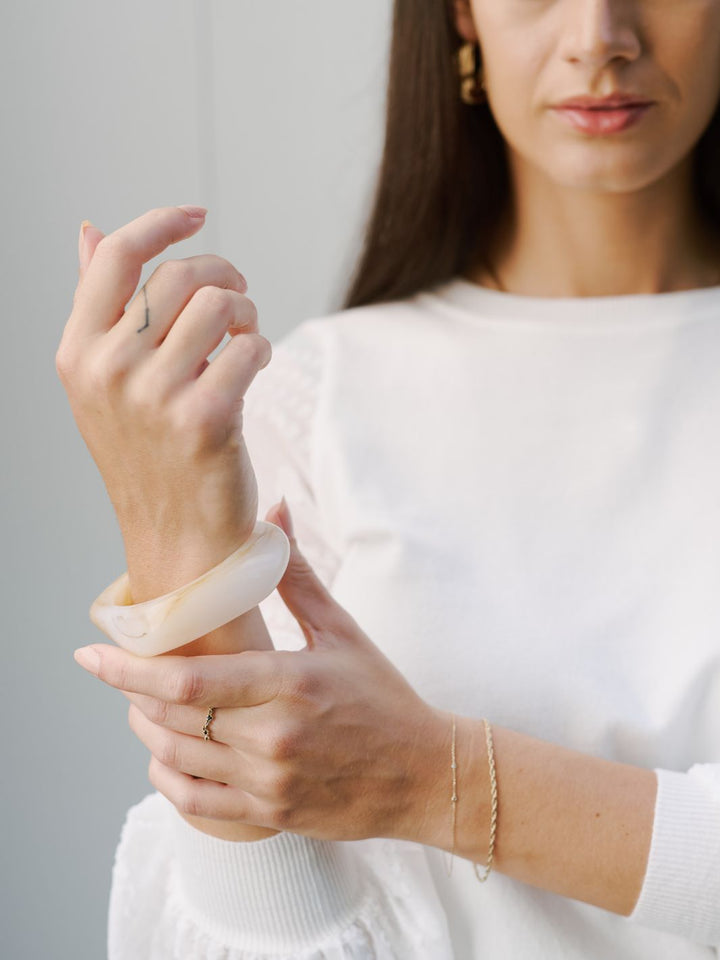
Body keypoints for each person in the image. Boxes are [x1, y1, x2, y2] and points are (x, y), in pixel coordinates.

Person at [57, 0, 720, 956]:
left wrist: (436, 780)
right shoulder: (316, 398)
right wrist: (168, 528)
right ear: (462, 15)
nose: (598, 36)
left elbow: (412, 780)